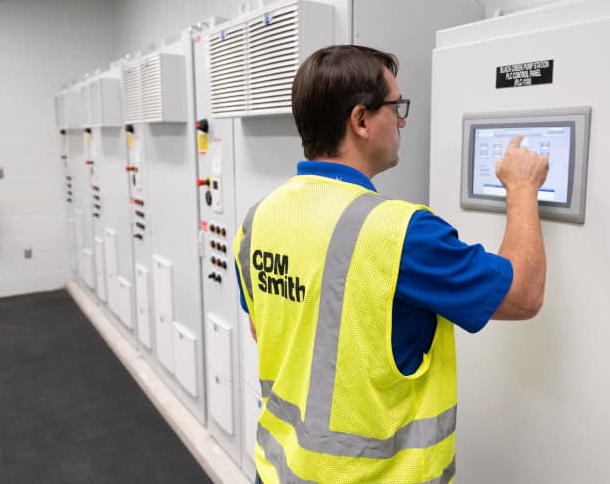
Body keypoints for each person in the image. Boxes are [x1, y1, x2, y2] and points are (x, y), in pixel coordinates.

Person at [234, 45, 548, 484]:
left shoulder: (258, 219)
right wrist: (522, 188)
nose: (401, 120)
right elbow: (524, 295)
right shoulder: (402, 234)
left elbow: (266, 331)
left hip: (279, 473)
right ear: (361, 120)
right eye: (395, 107)